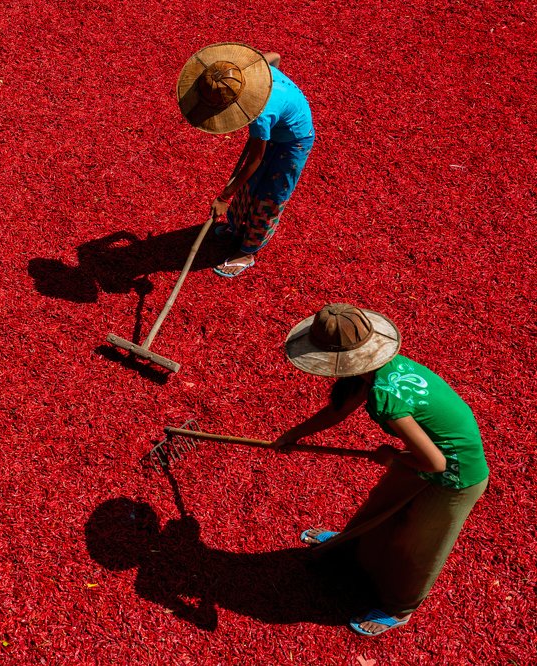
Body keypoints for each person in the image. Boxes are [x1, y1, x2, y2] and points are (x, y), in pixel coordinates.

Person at [274, 303, 489, 636]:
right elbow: (338, 410)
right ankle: (349, 546)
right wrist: (294, 435)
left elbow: (436, 463)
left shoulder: (384, 397)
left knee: (419, 543)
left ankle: (399, 608)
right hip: (426, 457)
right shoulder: (378, 370)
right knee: (382, 506)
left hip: (456, 476)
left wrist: (393, 458)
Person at [176, 43, 315, 277]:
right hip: (273, 129)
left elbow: (254, 160)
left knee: (270, 195)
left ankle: (247, 251)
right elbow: (276, 56)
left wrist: (223, 197)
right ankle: (236, 227)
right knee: (250, 185)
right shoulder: (248, 70)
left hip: (294, 140)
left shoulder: (261, 116)